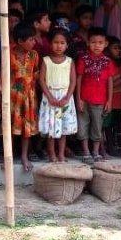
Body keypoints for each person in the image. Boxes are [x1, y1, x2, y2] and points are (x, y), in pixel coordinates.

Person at [75, 27, 117, 163]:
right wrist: (78, 98)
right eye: (93, 42)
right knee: (83, 126)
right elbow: (79, 79)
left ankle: (95, 151)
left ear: (105, 44)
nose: (96, 45)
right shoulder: (83, 59)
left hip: (100, 100)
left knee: (97, 126)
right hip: (84, 99)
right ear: (88, 43)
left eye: (100, 42)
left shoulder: (108, 61)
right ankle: (86, 152)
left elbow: (110, 81)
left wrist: (109, 100)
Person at [38, 28, 78, 163]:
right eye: (56, 42)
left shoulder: (70, 61)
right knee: (51, 129)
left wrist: (67, 97)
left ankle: (61, 154)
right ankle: (52, 154)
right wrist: (49, 97)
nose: (59, 46)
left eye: (62, 43)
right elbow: (41, 80)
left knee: (63, 129)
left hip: (64, 99)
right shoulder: (46, 60)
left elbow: (73, 81)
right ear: (50, 43)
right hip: (50, 98)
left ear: (67, 45)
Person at [9, 23, 40, 172]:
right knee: (11, 126)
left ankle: (24, 156)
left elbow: (35, 75)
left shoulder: (34, 55)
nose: (34, 42)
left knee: (26, 128)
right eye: (31, 39)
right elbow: (5, 75)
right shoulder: (9, 53)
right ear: (20, 41)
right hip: (13, 96)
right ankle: (8, 154)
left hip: (29, 96)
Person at [104, 35, 121, 154]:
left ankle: (119, 148)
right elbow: (107, 83)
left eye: (119, 48)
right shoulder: (107, 63)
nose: (119, 51)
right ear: (108, 50)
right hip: (110, 100)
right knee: (108, 126)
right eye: (115, 48)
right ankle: (110, 147)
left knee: (119, 126)